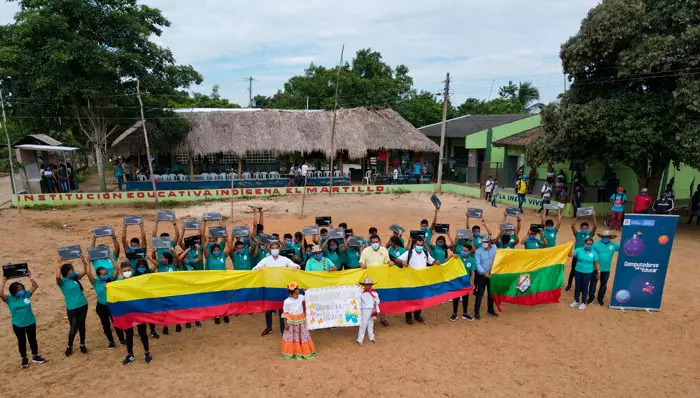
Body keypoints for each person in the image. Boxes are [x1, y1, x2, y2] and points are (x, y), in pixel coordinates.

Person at [254, 242, 300, 336]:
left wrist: (296, 267)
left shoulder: (284, 260)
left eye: (276, 247)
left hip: (281, 287)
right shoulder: (266, 260)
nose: (274, 249)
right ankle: (268, 327)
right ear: (270, 249)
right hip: (269, 287)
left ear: (279, 249)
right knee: (268, 309)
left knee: (282, 309)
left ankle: (283, 329)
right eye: (273, 248)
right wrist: (256, 269)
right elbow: (256, 267)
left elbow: (295, 265)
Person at [1, 273, 46, 368]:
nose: (22, 291)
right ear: (13, 292)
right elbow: (0, 294)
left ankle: (35, 356)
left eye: (22, 289)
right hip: (18, 324)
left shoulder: (26, 295)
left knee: (32, 339)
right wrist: (4, 281)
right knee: (22, 341)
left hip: (30, 322)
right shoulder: (9, 299)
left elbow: (35, 286)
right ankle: (24, 358)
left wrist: (30, 277)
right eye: (19, 290)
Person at [395, 237, 440, 324]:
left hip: (421, 281)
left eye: (421, 245)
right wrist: (402, 262)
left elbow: (432, 261)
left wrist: (436, 262)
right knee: (410, 299)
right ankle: (408, 317)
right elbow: (397, 259)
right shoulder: (409, 253)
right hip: (411, 281)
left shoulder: (425, 253)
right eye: (418, 245)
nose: (419, 246)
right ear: (415, 244)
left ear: (423, 245)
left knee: (420, 299)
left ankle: (417, 315)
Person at [117, 261, 153, 365]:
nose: (127, 272)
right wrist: (108, 288)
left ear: (131, 270)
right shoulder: (118, 283)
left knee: (142, 333)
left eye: (128, 270)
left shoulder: (138, 281)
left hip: (138, 311)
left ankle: (147, 353)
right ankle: (130, 354)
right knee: (128, 334)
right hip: (126, 313)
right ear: (121, 272)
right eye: (125, 271)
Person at [84, 257, 124, 348]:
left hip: (112, 305)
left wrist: (110, 256)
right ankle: (111, 341)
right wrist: (88, 262)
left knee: (117, 323)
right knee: (105, 325)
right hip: (101, 307)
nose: (105, 275)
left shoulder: (111, 280)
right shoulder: (95, 282)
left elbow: (117, 268)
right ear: (99, 276)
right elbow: (88, 273)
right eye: (103, 274)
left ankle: (122, 339)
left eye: (106, 273)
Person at [56, 256, 90, 356]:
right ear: (66, 272)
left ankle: (82, 344)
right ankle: (69, 346)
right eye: (71, 270)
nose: (73, 272)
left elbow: (85, 271)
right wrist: (58, 264)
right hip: (72, 308)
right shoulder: (62, 282)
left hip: (83, 305)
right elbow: (57, 277)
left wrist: (83, 260)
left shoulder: (75, 278)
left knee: (82, 325)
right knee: (73, 327)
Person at [359, 235, 393, 326]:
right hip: (369, 281)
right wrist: (362, 265)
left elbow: (387, 261)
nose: (375, 244)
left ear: (380, 242)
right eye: (373, 242)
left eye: (376, 242)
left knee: (381, 299)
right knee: (369, 300)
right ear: (370, 243)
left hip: (381, 279)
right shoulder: (366, 251)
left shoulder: (384, 250)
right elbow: (361, 261)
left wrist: (389, 263)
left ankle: (383, 318)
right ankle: (369, 318)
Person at [281, 282, 315, 359]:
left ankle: (303, 350)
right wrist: (285, 324)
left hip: (301, 321)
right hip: (291, 322)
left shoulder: (300, 297)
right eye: (295, 294)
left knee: (302, 335)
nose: (297, 295)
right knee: (292, 336)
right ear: (290, 294)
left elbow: (307, 297)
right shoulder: (286, 301)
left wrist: (306, 291)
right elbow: (285, 313)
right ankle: (293, 351)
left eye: (298, 293)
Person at [566, 213, 598, 292]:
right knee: (572, 271)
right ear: (580, 228)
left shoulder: (590, 234)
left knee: (583, 272)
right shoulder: (577, 234)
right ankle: (569, 285)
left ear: (588, 229)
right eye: (583, 228)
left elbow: (595, 226)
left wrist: (593, 216)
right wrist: (577, 217)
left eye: (586, 228)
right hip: (576, 256)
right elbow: (572, 226)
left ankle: (580, 287)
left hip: (586, 257)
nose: (584, 229)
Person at [568, 238, 600, 311]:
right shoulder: (579, 250)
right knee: (577, 286)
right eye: (587, 244)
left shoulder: (594, 253)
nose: (589, 245)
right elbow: (570, 255)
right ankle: (576, 301)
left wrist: (598, 272)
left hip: (588, 272)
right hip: (578, 271)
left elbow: (596, 263)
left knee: (585, 286)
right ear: (584, 244)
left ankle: (583, 303)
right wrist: (571, 247)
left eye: (590, 244)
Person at [590, 231, 619, 305]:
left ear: (610, 238)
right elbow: (590, 253)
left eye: (607, 237)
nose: (605, 238)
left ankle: (600, 299)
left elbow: (624, 249)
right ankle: (591, 298)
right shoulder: (595, 244)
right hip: (595, 268)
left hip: (606, 269)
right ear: (601, 237)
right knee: (593, 283)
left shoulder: (614, 245)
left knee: (603, 284)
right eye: (604, 237)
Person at [474, 235, 498, 319]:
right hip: (481, 275)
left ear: (489, 242)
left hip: (491, 274)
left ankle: (490, 310)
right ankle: (476, 312)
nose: (484, 243)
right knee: (480, 293)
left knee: (491, 293)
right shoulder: (478, 251)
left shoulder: (494, 248)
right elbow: (477, 263)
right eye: (483, 242)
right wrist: (484, 272)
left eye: (486, 242)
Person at [451, 240, 475, 321]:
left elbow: (472, 273)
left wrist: (473, 283)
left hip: (466, 282)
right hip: (457, 281)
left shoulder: (472, 260)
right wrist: (451, 256)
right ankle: (454, 314)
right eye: (462, 250)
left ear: (469, 251)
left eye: (465, 251)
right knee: (456, 298)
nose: (463, 252)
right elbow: (447, 263)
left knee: (465, 298)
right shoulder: (458, 257)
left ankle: (465, 313)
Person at [357, 277, 380, 345]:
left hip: (373, 309)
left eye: (370, 284)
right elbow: (356, 297)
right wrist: (356, 287)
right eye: (367, 284)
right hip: (365, 310)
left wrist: (377, 310)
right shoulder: (360, 292)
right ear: (364, 285)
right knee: (363, 324)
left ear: (372, 285)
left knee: (371, 323)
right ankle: (360, 339)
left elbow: (377, 302)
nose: (368, 286)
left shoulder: (375, 293)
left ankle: (371, 337)